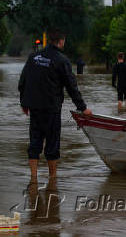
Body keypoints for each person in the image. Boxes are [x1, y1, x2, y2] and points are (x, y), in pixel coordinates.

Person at [18, 30, 92, 181]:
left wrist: (24, 103)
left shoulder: (33, 57)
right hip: (51, 108)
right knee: (52, 144)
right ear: (60, 41)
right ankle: (52, 179)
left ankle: (33, 178)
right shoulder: (61, 60)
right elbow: (72, 87)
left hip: (35, 108)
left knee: (35, 141)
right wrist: (83, 108)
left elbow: (23, 81)